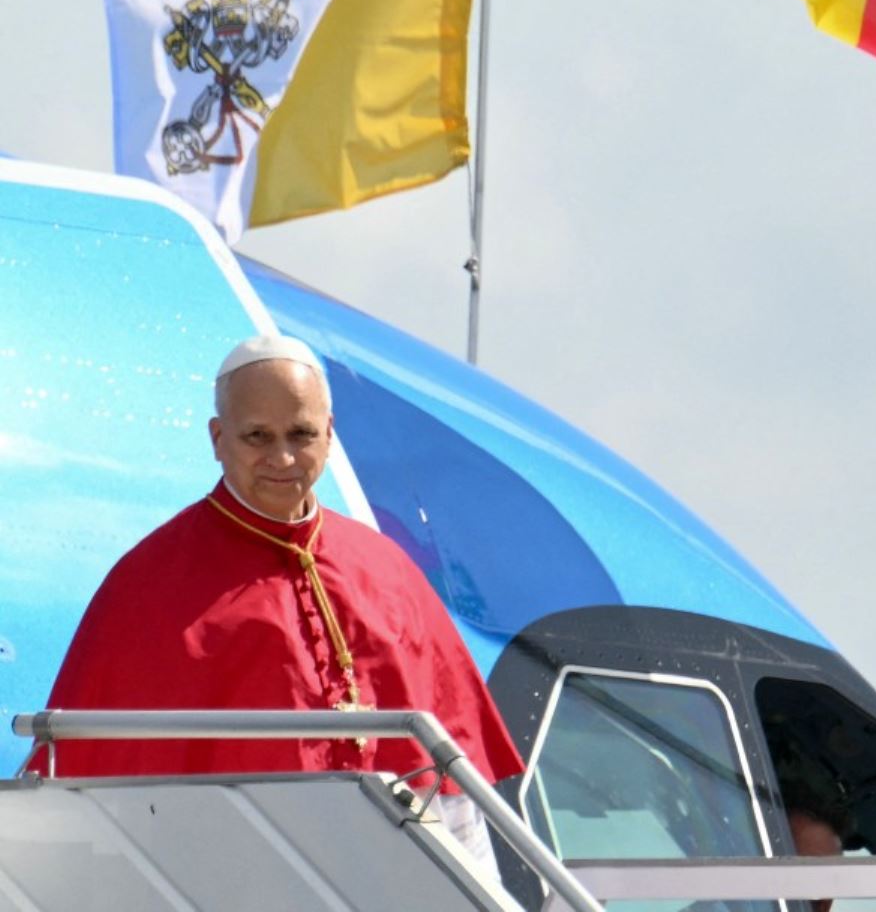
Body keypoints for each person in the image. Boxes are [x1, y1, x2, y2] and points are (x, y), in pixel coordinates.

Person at [29, 335, 524, 871]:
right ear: (218, 438)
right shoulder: (148, 584)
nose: (282, 457)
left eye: (301, 434)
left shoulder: (389, 571)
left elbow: (448, 792)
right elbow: (98, 799)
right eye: (257, 436)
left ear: (329, 435)